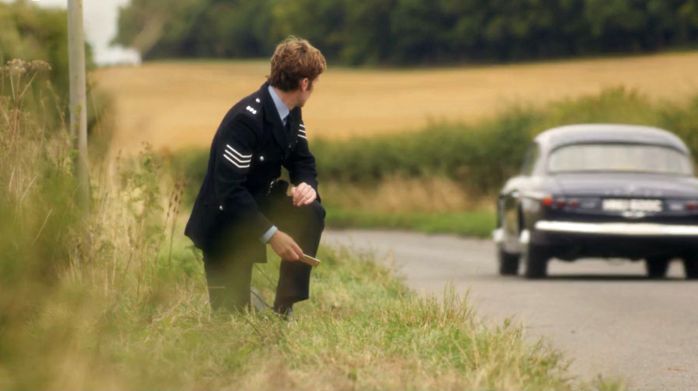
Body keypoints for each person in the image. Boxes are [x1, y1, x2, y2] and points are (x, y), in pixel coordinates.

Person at [184, 37, 327, 317]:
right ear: (304, 83)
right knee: (232, 319)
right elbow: (230, 192)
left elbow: (301, 159)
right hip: (225, 223)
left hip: (258, 205)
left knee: (311, 212)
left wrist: (306, 186)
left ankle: (284, 308)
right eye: (314, 83)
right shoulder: (246, 121)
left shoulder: (291, 112)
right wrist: (273, 235)